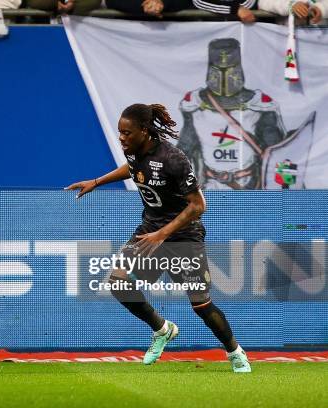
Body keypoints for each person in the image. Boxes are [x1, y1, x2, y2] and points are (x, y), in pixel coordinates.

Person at [66, 103, 251, 373]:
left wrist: (162, 234)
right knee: (118, 283)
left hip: (182, 237)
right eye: (120, 132)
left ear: (144, 131)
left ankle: (235, 352)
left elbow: (199, 206)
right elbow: (133, 169)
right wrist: (96, 181)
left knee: (201, 304)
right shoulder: (134, 150)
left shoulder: (173, 159)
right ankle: (162, 329)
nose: (122, 138)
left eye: (127, 133)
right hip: (149, 232)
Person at [178, 38, 287, 189]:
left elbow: (275, 153)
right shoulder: (196, 104)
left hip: (248, 185)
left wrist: (284, 185)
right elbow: (185, 148)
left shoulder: (258, 105)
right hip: (210, 185)